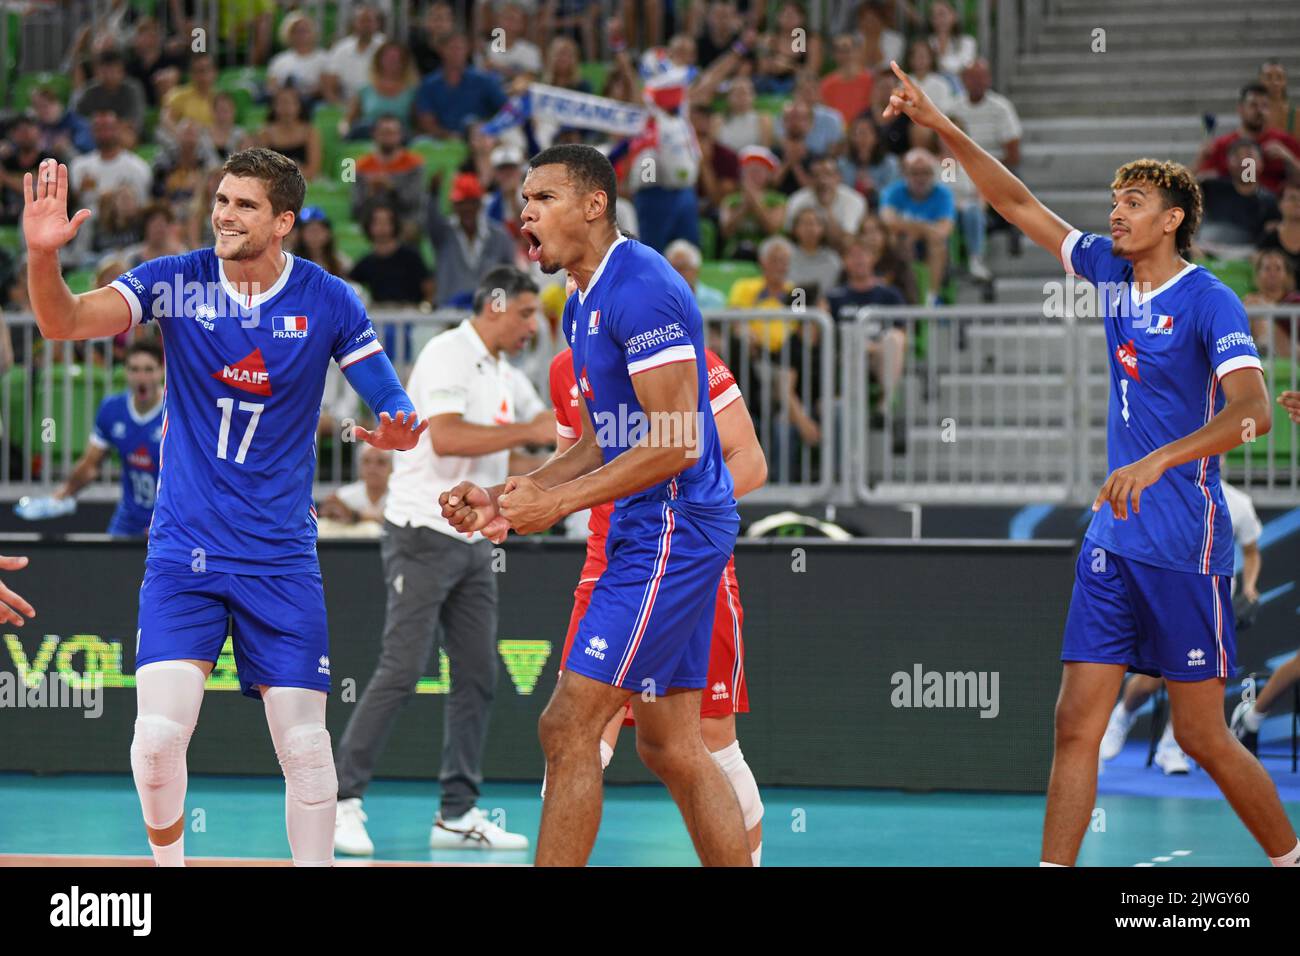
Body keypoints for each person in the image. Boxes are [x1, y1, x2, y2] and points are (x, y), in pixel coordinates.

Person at [886, 60, 1300, 867]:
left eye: (1133, 201)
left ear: (1173, 219)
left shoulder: (1209, 299)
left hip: (1185, 542)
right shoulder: (1110, 273)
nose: (1116, 211)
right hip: (1113, 539)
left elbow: (1252, 412)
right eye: (1114, 199)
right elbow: (1016, 205)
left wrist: (1160, 461)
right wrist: (939, 125)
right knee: (1074, 722)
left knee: (1202, 736)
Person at [22, 146, 426, 867]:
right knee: (156, 743)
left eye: (244, 205)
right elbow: (64, 323)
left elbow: (387, 394)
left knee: (307, 752)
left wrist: (398, 421)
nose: (224, 215)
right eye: (221, 199)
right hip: (185, 552)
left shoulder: (329, 298)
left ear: (283, 223)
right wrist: (43, 257)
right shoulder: (176, 282)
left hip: (280, 557)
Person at [440, 143, 751, 866]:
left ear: (594, 204)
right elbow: (599, 440)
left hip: (672, 527)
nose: (525, 213)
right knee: (673, 747)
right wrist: (508, 495)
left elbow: (676, 443)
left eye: (542, 198)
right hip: (655, 527)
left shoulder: (641, 288)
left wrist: (559, 505)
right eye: (523, 200)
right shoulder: (581, 300)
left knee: (567, 726)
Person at [544, 279, 768, 864]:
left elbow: (749, 460)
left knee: (705, 742)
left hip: (686, 557)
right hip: (611, 560)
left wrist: (683, 509)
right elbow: (579, 461)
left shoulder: (688, 357)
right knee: (577, 731)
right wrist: (514, 500)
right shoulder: (567, 367)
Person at [334, 266, 551, 855]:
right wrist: (528, 430)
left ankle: (456, 814)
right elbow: (449, 437)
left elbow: (545, 439)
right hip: (421, 534)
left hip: (475, 541)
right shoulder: (445, 353)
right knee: (402, 669)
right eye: (525, 313)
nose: (533, 326)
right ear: (494, 306)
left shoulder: (508, 373)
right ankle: (340, 802)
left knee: (477, 674)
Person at [1099, 469, 1264, 773]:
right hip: (1170, 599)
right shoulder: (1170, 496)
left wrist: (1250, 587)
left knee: (1195, 679)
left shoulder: (1239, 503)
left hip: (1212, 607)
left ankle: (1172, 747)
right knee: (1153, 679)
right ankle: (1122, 716)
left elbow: (1251, 552)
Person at [50, 341, 165, 536]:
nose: (141, 378)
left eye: (148, 370)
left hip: (168, 522)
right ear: (125, 372)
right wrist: (61, 495)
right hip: (128, 520)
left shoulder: (175, 413)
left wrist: (164, 523)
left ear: (161, 371)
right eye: (134, 369)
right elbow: (90, 466)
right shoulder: (112, 409)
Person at [425, 171, 516, 307]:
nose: (467, 208)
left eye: (471, 202)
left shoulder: (499, 237)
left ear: (479, 204)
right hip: (448, 312)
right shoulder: (443, 234)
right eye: (462, 203)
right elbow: (430, 219)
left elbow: (508, 276)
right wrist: (433, 194)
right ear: (454, 206)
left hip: (489, 312)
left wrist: (500, 308)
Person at [879, 148, 955, 305]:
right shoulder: (892, 192)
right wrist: (925, 229)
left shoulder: (943, 194)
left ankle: (931, 297)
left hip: (930, 249)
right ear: (905, 174)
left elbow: (944, 231)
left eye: (925, 172)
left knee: (937, 244)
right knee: (896, 238)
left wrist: (912, 229)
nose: (920, 178)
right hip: (901, 246)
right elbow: (887, 222)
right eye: (915, 173)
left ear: (933, 173)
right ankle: (904, 292)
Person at [1198, 83, 1300, 197]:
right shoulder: (1222, 145)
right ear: (1241, 109)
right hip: (1232, 204)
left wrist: (1288, 157)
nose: (1260, 111)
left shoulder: (1284, 141)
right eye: (1253, 105)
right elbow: (1196, 184)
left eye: (1265, 106)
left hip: (1275, 204)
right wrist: (1200, 159)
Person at [1198, 139, 1279, 250]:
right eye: (1237, 157)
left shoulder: (1269, 200)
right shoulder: (1212, 187)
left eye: (1249, 156)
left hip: (1247, 255)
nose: (1244, 162)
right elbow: (1180, 190)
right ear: (1228, 163)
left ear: (1261, 163)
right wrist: (1200, 160)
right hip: (1206, 251)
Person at [318, 445, 391, 526]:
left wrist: (354, 515)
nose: (372, 468)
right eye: (366, 461)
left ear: (392, 467)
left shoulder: (399, 495)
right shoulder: (343, 496)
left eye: (381, 462)